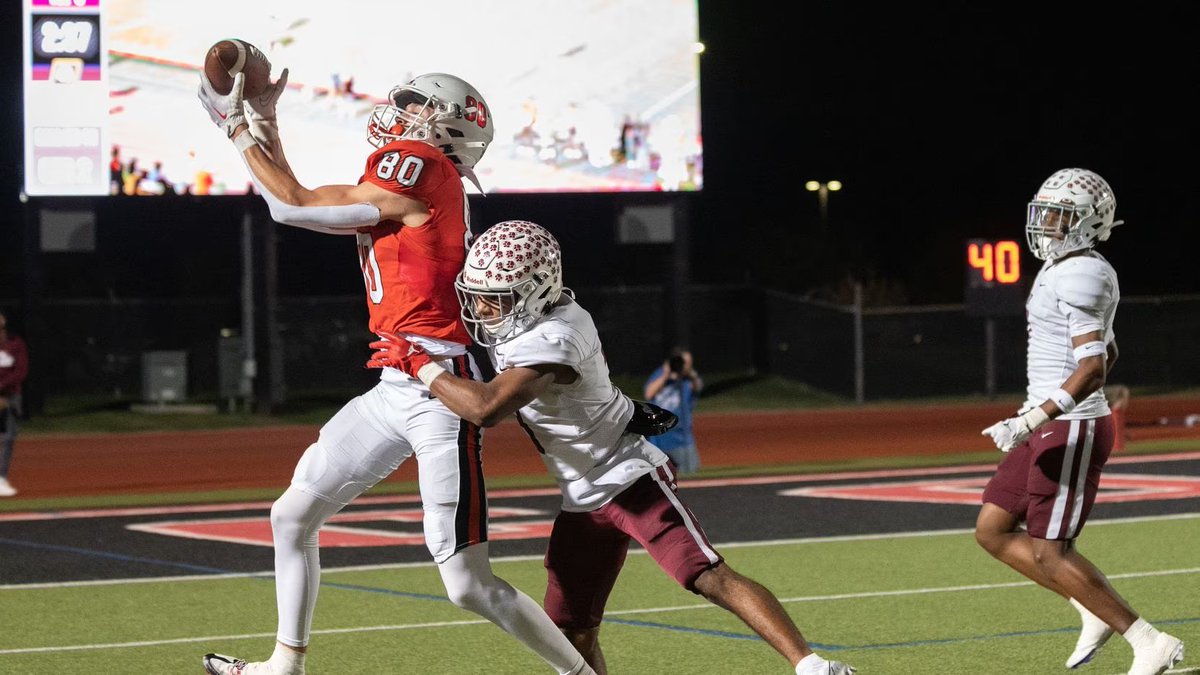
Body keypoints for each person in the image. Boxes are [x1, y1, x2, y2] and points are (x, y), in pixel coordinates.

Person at [196, 64, 593, 675]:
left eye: (415, 107)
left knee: (467, 584)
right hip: (396, 380)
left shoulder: (421, 166)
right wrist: (264, 119)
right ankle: (286, 664)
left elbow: (291, 206)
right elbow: (298, 196)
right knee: (291, 515)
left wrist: (236, 128)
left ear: (443, 128)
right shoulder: (425, 180)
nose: (398, 113)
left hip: (437, 382)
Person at [367, 220, 856, 675]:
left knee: (705, 574)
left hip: (627, 478)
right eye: (480, 297)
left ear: (535, 292)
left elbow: (487, 408)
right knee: (570, 632)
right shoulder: (543, 315)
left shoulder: (554, 335)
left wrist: (419, 365)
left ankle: (815, 667)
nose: (482, 310)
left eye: (496, 299)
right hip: (581, 497)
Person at [976, 169, 1185, 675]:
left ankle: (1150, 640)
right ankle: (1089, 607)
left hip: (1068, 427)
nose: (1047, 222)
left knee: (1050, 551)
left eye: (1060, 214)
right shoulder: (1066, 266)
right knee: (993, 529)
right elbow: (1109, 349)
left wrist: (1035, 418)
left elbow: (1093, 367)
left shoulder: (1079, 273)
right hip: (1049, 420)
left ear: (1089, 224)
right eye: (1045, 211)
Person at [643, 347, 703, 474]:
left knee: (691, 474)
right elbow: (649, 394)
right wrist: (666, 375)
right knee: (659, 477)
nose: (685, 366)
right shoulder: (660, 375)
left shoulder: (688, 380)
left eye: (688, 363)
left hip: (682, 439)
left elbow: (698, 386)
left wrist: (689, 374)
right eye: (683, 362)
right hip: (658, 439)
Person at [0, 309, 29, 498]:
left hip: (11, 397)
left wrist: (2, 390)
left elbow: (21, 371)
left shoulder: (15, 344)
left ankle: (1, 477)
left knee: (9, 437)